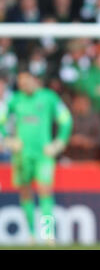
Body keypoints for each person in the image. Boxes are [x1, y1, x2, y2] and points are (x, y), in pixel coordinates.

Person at [0, 70, 73, 244]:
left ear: (35, 80)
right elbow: (1, 122)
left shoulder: (49, 98)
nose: (24, 85)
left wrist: (59, 142)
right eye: (21, 83)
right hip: (21, 155)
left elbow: (66, 120)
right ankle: (31, 234)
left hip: (43, 154)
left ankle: (48, 234)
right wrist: (8, 140)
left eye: (26, 81)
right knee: (25, 192)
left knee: (44, 189)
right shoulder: (14, 99)